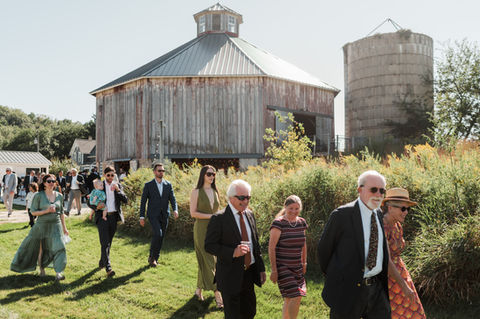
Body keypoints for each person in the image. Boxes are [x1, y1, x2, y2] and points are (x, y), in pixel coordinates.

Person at [317, 170, 391, 318]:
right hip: (348, 290)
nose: (379, 194)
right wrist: (338, 276)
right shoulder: (341, 215)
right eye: (373, 189)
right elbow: (324, 250)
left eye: (382, 190)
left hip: (376, 289)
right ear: (360, 189)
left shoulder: (378, 213)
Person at [205, 179, 266, 319]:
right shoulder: (218, 218)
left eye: (248, 197)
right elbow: (209, 245)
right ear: (231, 198)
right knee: (233, 315)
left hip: (249, 273)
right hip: (229, 275)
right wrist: (233, 252)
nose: (246, 201)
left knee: (250, 312)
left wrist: (261, 268)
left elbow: (255, 244)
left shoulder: (250, 215)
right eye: (242, 198)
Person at [10, 174, 68, 281]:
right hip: (41, 226)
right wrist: (46, 211)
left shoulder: (59, 196)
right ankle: (42, 269)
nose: (51, 183)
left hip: (56, 225)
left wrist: (65, 228)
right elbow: (33, 211)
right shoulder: (38, 195)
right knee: (42, 249)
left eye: (53, 181)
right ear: (44, 183)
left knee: (60, 247)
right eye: (49, 181)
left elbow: (61, 213)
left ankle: (58, 272)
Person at [382, 188, 426, 319]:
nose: (406, 212)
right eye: (403, 209)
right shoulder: (382, 227)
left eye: (408, 209)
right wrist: (404, 287)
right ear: (390, 207)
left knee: (414, 312)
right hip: (389, 278)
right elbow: (386, 261)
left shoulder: (397, 225)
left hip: (400, 273)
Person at [268, 195, 308, 319]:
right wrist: (274, 270)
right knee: (296, 295)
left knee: (289, 298)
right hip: (283, 267)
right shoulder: (278, 224)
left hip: (297, 267)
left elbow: (303, 244)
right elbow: (271, 248)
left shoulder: (301, 222)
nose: (294, 211)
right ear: (285, 207)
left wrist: (304, 263)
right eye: (291, 208)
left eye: (297, 208)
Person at [189, 165, 223, 308]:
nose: (211, 177)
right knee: (209, 261)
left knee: (207, 261)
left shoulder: (215, 191)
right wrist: (211, 216)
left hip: (214, 230)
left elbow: (217, 210)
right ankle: (218, 296)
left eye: (214, 174)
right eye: (209, 174)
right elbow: (193, 213)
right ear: (203, 175)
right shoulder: (196, 192)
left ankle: (198, 290)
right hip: (201, 230)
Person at [87, 166, 127, 277]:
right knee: (104, 242)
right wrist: (96, 207)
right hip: (102, 217)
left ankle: (102, 261)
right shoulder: (100, 185)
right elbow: (90, 201)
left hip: (113, 217)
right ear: (104, 175)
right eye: (108, 175)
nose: (110, 177)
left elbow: (125, 200)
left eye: (112, 175)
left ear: (114, 175)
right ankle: (108, 268)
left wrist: (118, 191)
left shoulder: (117, 185)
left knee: (109, 241)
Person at [139, 163, 178, 267]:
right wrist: (141, 216)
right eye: (159, 170)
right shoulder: (148, 185)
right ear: (154, 172)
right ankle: (152, 257)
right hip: (153, 215)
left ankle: (155, 258)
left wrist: (175, 210)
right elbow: (143, 202)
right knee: (158, 234)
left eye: (163, 171)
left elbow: (172, 199)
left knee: (161, 237)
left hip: (165, 214)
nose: (161, 172)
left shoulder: (168, 184)